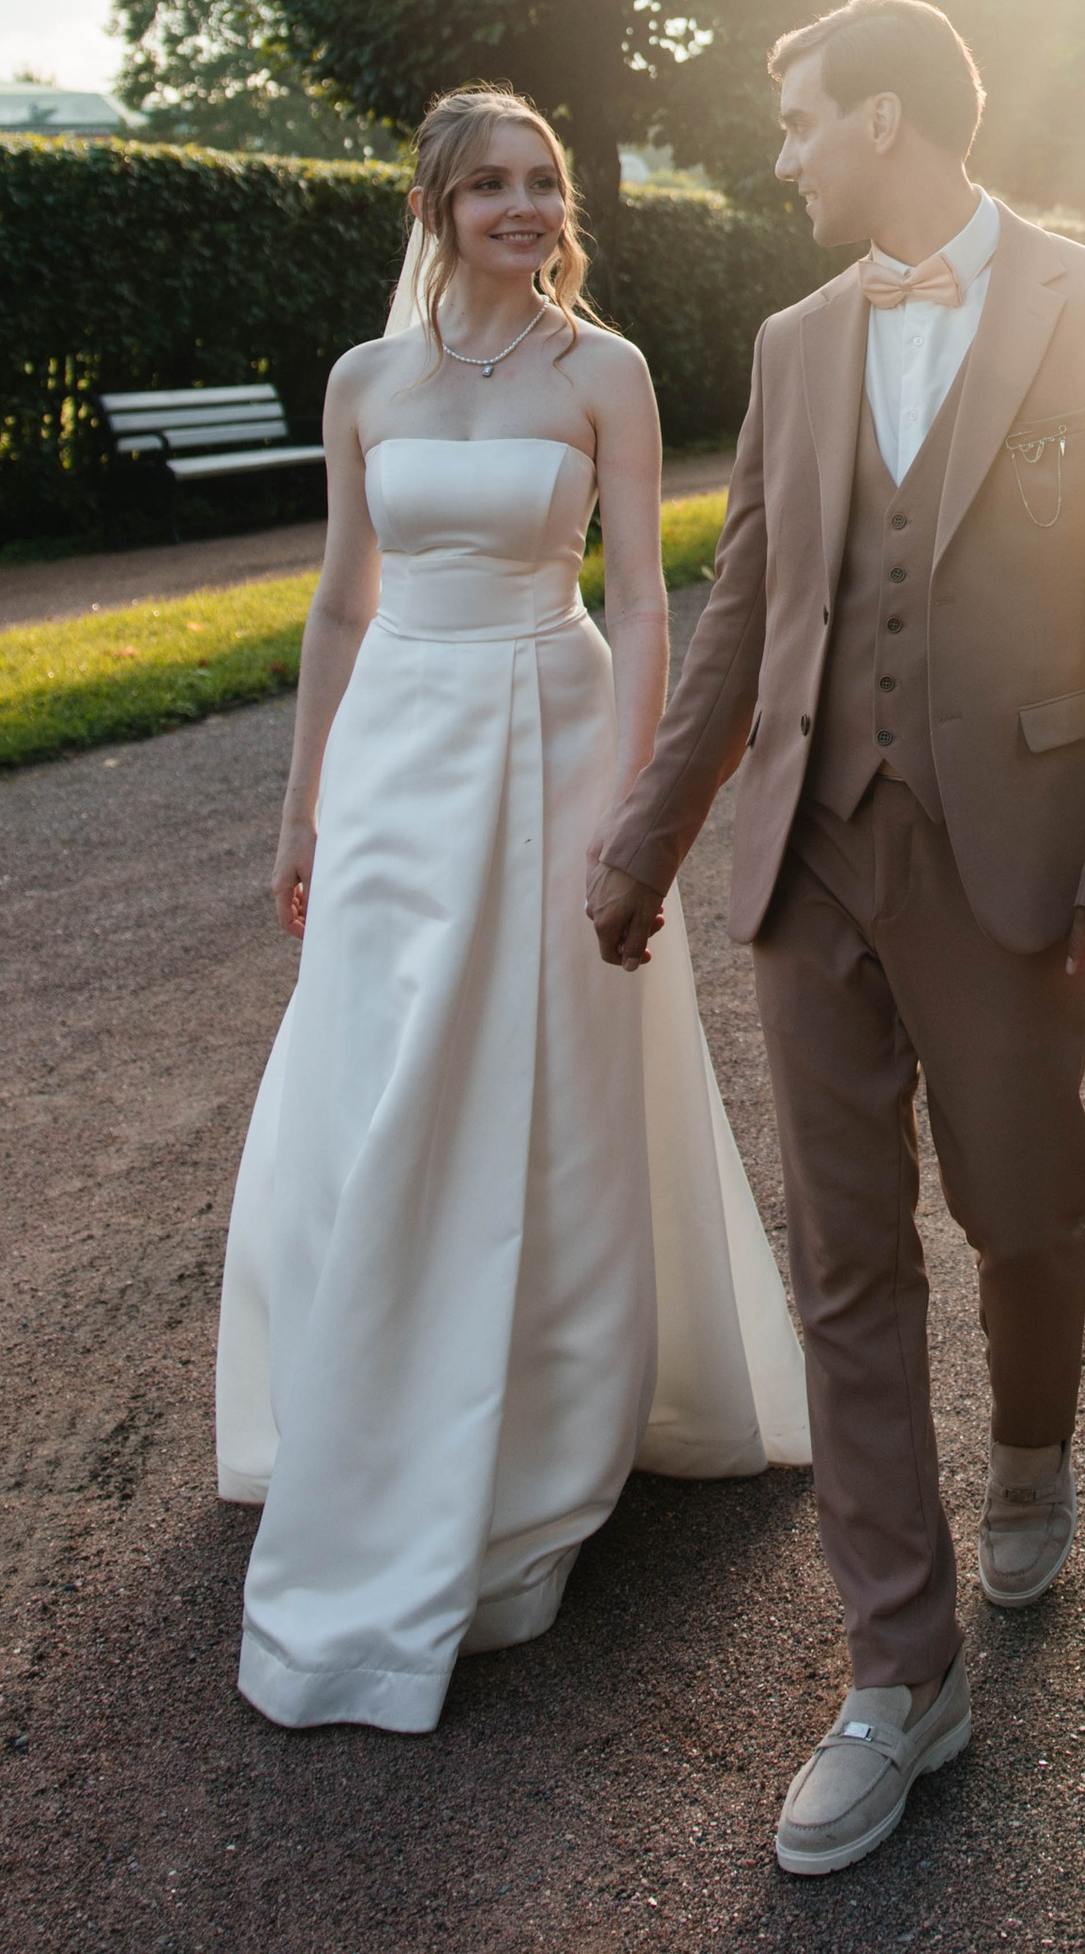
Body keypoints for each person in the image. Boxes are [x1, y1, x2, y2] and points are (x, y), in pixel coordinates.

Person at [587, 0, 1085, 1878]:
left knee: (1022, 1212)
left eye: (794, 121)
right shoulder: (792, 342)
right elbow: (751, 598)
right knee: (846, 1265)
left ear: (882, 116)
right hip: (809, 864)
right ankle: (896, 1676)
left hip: (1010, 860)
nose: (779, 157)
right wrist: (647, 836)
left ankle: (1035, 1453)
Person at [217, 84, 808, 1734]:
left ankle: (545, 1413)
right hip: (399, 741)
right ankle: (370, 1382)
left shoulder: (601, 371)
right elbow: (343, 598)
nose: (527, 208)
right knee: (385, 1057)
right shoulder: (365, 381)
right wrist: (301, 798)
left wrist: (640, 809)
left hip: (552, 725)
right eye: (490, 186)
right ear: (433, 208)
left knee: (541, 1057)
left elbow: (640, 591)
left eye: (542, 182)